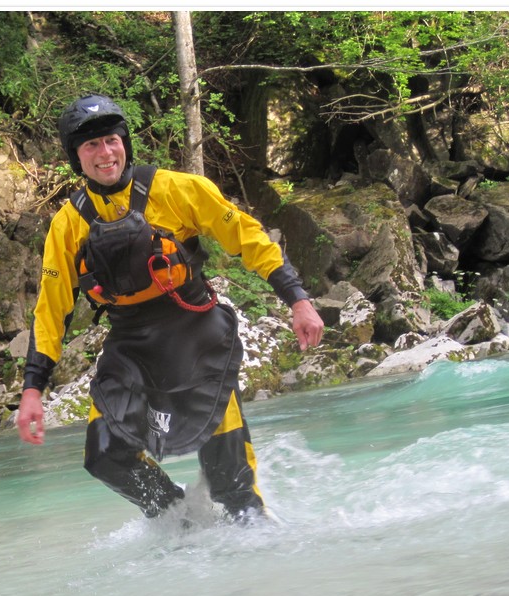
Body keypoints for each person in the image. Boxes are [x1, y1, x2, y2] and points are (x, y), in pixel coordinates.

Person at [17, 93, 324, 520]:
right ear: (76, 157)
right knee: (105, 455)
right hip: (131, 346)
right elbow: (51, 310)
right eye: (91, 145)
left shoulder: (177, 189)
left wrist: (298, 300)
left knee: (232, 486)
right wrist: (33, 388)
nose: (105, 153)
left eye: (111, 140)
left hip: (196, 334)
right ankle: (180, 518)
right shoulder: (68, 224)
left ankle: (255, 534)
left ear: (125, 142)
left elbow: (247, 237)